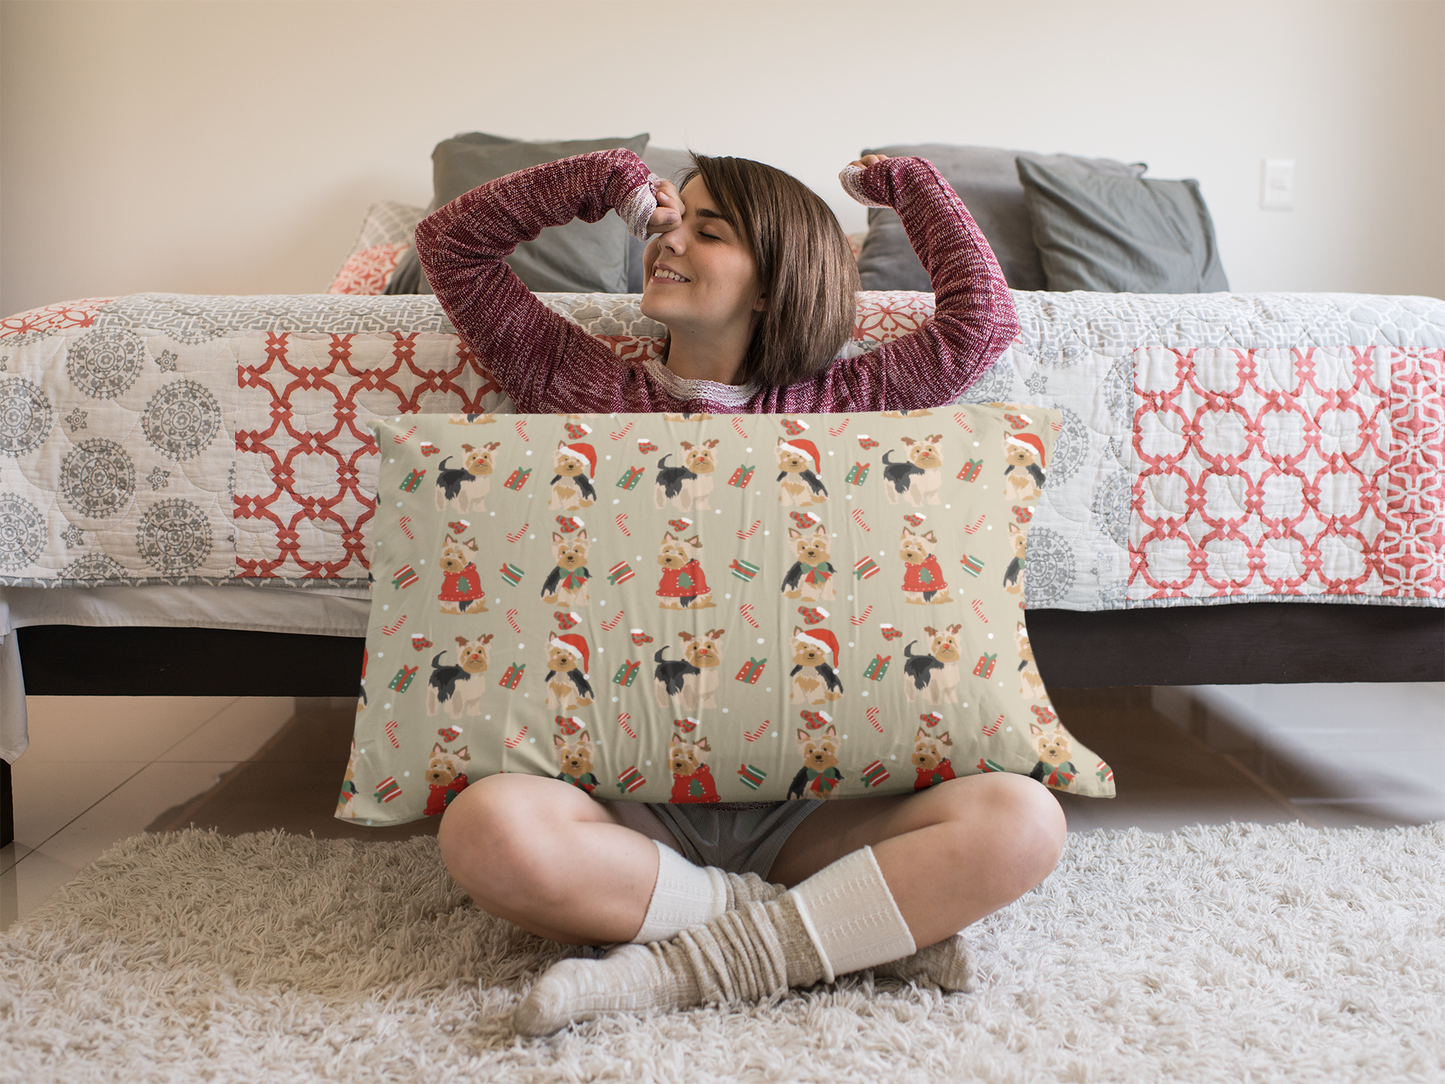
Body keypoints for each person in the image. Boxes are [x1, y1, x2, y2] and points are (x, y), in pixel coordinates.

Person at [415, 148, 1067, 1036]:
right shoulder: (581, 383)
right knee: (483, 830)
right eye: (667, 218)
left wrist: (908, 187)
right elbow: (451, 246)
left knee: (1022, 818)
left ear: (773, 283)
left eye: (706, 228)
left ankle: (663, 971)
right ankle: (847, 933)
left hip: (815, 806)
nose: (664, 238)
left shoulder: (852, 399)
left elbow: (983, 321)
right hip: (624, 798)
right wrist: (593, 183)